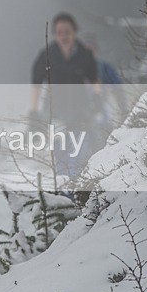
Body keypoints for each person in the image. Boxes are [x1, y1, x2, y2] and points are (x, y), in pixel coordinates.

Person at [29, 12, 99, 179]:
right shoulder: (47, 55)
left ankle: (75, 193)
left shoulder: (84, 54)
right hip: (55, 113)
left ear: (74, 32)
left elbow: (94, 78)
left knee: (77, 157)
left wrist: (96, 99)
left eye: (67, 32)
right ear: (54, 34)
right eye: (59, 32)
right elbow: (35, 84)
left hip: (80, 112)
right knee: (60, 158)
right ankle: (64, 195)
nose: (63, 36)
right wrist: (33, 111)